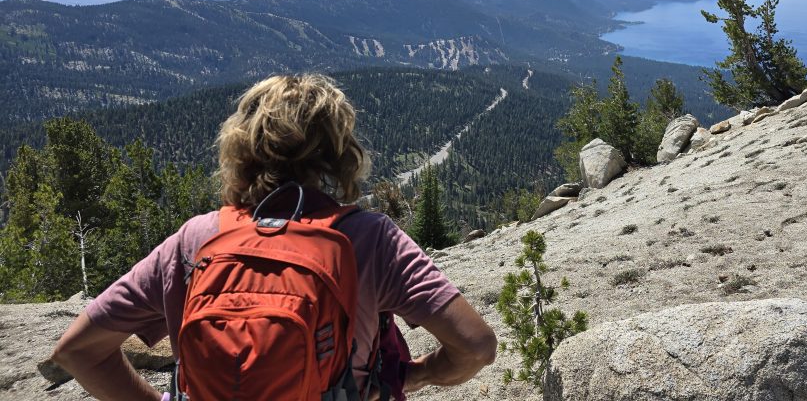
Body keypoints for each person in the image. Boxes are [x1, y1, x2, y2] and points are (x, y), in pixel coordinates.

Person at [51, 73, 497, 400]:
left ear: (239, 147)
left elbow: (78, 351)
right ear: (340, 153)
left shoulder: (195, 241)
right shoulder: (368, 238)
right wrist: (409, 375)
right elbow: (476, 346)